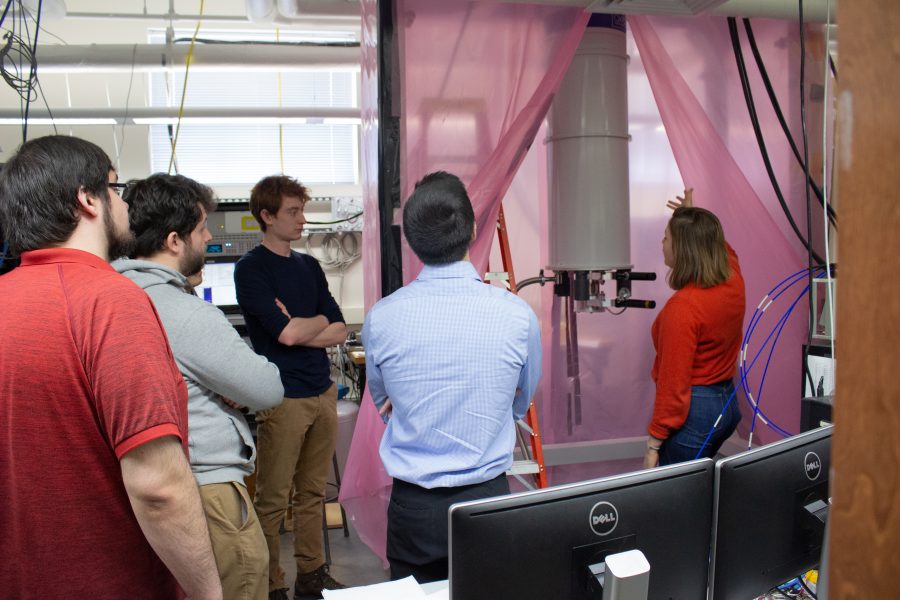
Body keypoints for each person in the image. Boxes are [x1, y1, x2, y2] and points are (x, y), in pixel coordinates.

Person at [0, 135, 222, 599]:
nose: (124, 204)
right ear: (87, 199)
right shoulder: (111, 303)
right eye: (116, 189)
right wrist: (207, 592)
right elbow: (158, 485)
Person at [362, 171, 542, 583]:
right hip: (488, 499)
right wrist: (488, 412)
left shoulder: (382, 317)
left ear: (410, 240)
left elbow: (383, 401)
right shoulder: (516, 314)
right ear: (474, 229)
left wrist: (420, 418)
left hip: (415, 507)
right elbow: (521, 397)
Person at [114, 173, 285, 600]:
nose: (209, 239)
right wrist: (228, 387)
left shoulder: (112, 297)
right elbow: (266, 388)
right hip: (208, 492)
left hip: (138, 496)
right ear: (174, 241)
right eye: (203, 229)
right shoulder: (184, 312)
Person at [234, 175, 347, 600]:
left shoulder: (309, 266)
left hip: (322, 392)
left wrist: (306, 325)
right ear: (266, 216)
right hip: (282, 398)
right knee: (272, 499)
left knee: (313, 494)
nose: (302, 220)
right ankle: (271, 585)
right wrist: (306, 325)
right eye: (293, 212)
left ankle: (311, 578)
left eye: (302, 210)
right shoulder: (251, 270)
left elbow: (337, 327)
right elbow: (283, 336)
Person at [644, 188, 745, 469]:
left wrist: (653, 444)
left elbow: (673, 385)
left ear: (682, 249)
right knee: (695, 489)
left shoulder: (684, 307)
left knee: (670, 499)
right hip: (726, 405)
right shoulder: (733, 278)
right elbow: (720, 246)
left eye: (667, 237)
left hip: (695, 414)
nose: (662, 242)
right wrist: (690, 215)